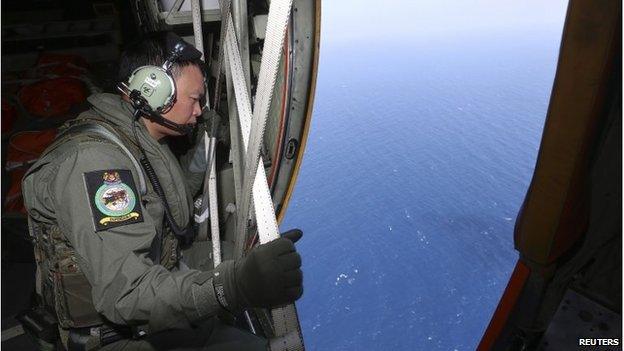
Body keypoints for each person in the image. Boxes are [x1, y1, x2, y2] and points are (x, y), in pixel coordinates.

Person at [22, 32, 303, 350]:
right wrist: (233, 287)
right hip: (111, 336)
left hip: (145, 289)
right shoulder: (96, 163)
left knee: (233, 252)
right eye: (194, 99)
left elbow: (168, 201)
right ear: (152, 89)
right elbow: (127, 294)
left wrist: (204, 144)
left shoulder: (134, 138)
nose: (198, 111)